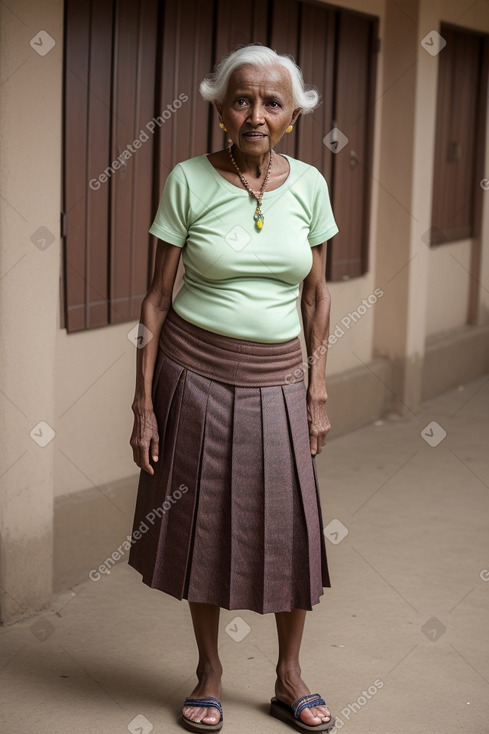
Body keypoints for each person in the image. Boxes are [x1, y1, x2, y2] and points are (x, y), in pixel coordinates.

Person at [128, 43, 339, 733]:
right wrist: (142, 405)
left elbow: (317, 297)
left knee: (291, 526)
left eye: (271, 102)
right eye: (242, 99)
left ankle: (287, 676)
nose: (256, 113)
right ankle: (209, 671)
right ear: (220, 109)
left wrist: (316, 391)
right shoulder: (187, 179)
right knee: (199, 525)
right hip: (192, 373)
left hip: (277, 377)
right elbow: (156, 301)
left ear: (291, 116)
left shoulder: (308, 183)